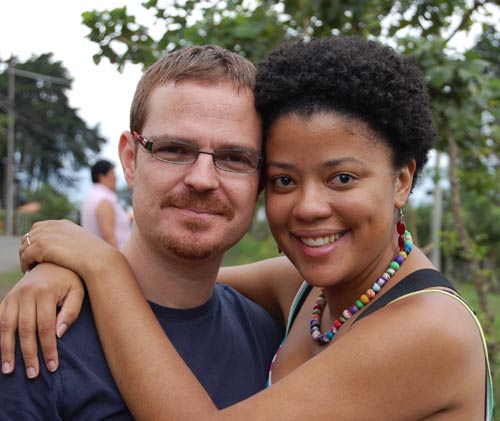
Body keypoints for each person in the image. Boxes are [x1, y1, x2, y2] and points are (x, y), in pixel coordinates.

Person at [2, 36, 494, 419]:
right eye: (284, 180)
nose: (309, 207)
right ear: (130, 159)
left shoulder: (430, 329)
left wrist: (100, 265)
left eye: (342, 178)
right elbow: (179, 283)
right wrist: (65, 268)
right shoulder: (304, 289)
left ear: (402, 180)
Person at [0, 45, 284, 419]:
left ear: (260, 181)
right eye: (174, 149)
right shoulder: (35, 336)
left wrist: (97, 265)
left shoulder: (270, 338)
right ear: (130, 159)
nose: (202, 179)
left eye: (234, 158)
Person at [81, 159, 132, 248]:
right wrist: (117, 256)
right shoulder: (103, 199)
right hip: (115, 253)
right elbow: (108, 236)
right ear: (102, 177)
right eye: (112, 173)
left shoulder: (93, 196)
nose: (116, 178)